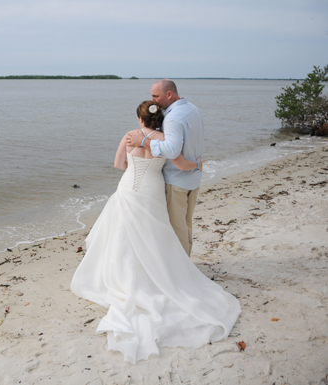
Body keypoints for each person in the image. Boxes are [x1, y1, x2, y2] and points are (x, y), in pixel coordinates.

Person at [70, 100, 241, 364]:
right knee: (155, 235)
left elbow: (119, 164)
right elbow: (182, 165)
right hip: (153, 192)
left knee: (123, 235)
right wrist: (198, 165)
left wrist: (132, 156)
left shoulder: (129, 136)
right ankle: (159, 273)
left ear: (139, 119)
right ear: (158, 118)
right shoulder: (164, 140)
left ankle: (125, 276)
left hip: (130, 189)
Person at [129, 79, 203, 256]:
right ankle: (186, 264)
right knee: (186, 224)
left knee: (177, 229)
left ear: (169, 95)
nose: (153, 101)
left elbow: (171, 150)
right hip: (193, 177)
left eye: (156, 96)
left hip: (176, 180)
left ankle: (182, 269)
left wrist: (144, 141)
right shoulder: (193, 109)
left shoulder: (172, 118)